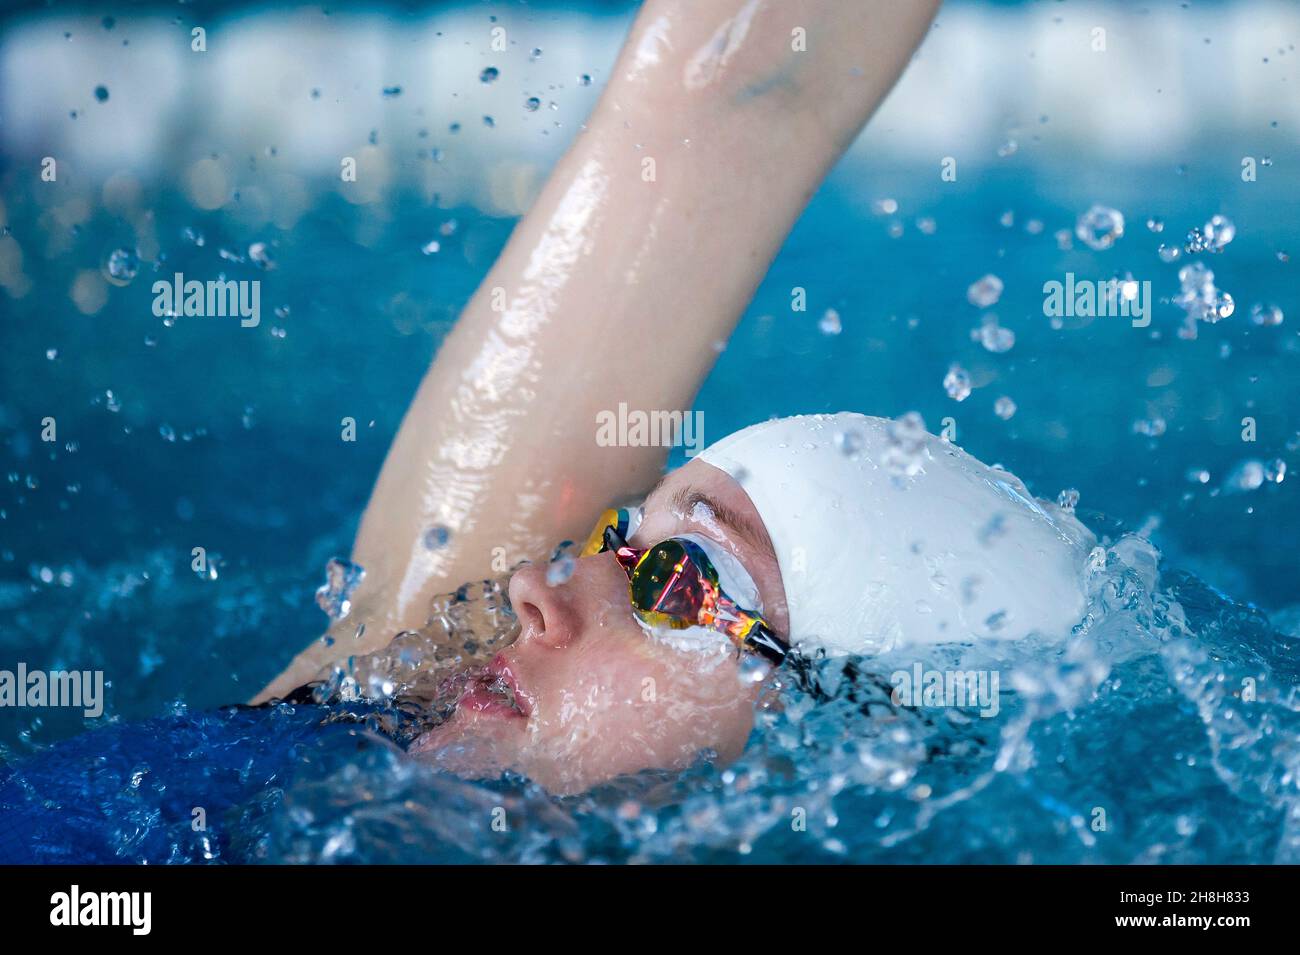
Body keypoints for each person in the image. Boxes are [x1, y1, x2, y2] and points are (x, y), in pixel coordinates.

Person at [254, 0, 1094, 796]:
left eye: (684, 580)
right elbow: (732, 87)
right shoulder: (364, 706)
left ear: (829, 761)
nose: (531, 586)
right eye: (618, 538)